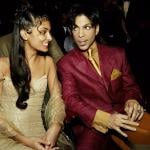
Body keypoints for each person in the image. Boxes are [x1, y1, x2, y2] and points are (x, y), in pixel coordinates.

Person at [57, 3, 150, 150]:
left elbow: (130, 86)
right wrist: (105, 119)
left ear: (97, 29)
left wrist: (132, 99)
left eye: (87, 27)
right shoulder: (65, 64)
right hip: (94, 123)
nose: (80, 34)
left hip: (125, 115)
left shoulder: (117, 54)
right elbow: (71, 100)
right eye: (76, 28)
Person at [0, 3, 73, 150]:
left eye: (49, 32)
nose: (49, 37)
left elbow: (57, 101)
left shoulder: (48, 63)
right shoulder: (2, 65)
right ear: (25, 33)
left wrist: (55, 127)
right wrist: (28, 142)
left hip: (41, 136)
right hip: (8, 136)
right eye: (43, 32)